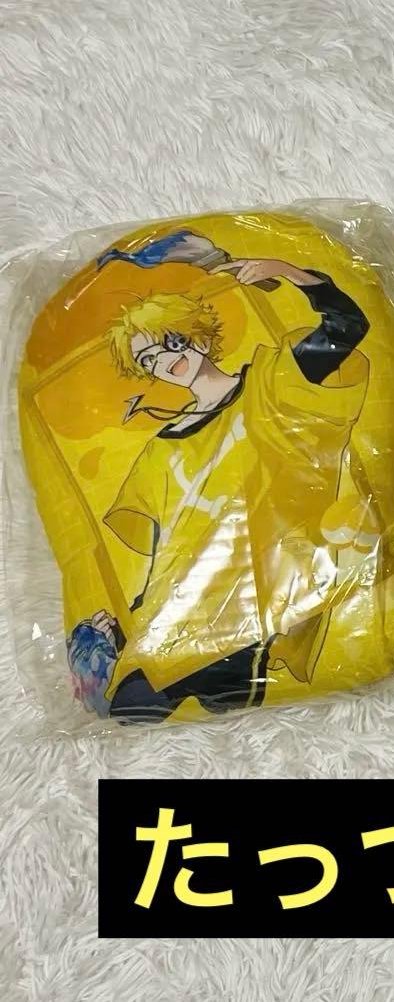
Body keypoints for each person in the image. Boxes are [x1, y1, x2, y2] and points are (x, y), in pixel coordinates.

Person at [68, 254, 373, 723]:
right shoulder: (162, 449)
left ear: (198, 333)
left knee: (243, 733)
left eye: (170, 342)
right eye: (150, 360)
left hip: (251, 615)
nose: (167, 361)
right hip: (176, 623)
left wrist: (288, 271)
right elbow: (168, 559)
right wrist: (128, 625)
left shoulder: (275, 381)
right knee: (130, 714)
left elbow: (348, 325)